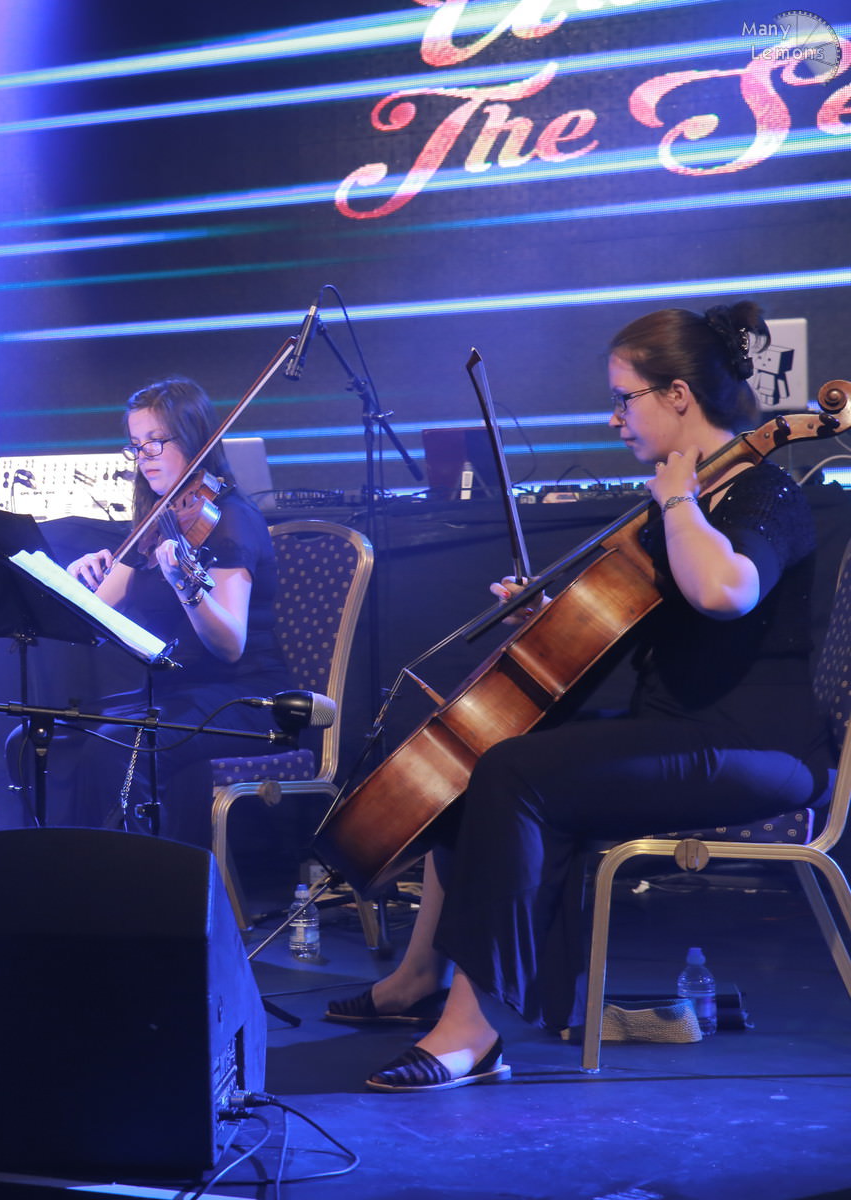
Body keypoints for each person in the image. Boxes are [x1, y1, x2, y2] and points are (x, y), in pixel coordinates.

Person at [328, 301, 833, 1092]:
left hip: (759, 749)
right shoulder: (680, 506)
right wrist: (546, 617)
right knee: (491, 756)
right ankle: (422, 976)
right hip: (677, 732)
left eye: (624, 398)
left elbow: (725, 592)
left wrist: (677, 502)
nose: (612, 418)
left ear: (677, 396)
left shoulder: (764, 494)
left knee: (517, 776)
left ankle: (471, 1032)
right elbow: (631, 621)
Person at [13, 377, 293, 848]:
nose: (144, 457)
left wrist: (186, 586)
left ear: (194, 438)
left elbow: (230, 645)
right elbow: (96, 611)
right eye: (137, 445)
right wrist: (74, 578)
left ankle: (134, 880)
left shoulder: (231, 518)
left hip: (244, 699)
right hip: (176, 696)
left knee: (117, 746)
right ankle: (61, 870)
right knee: (35, 741)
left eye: (157, 442)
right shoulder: (159, 519)